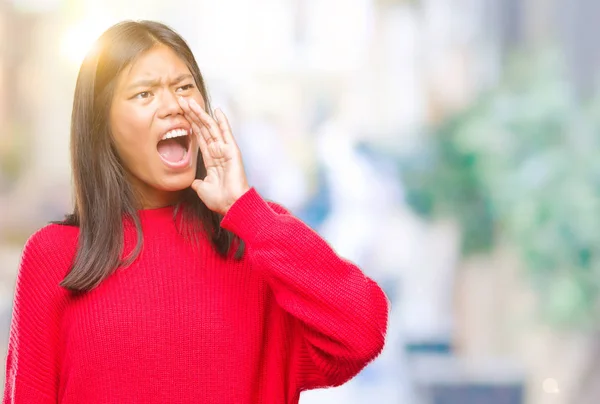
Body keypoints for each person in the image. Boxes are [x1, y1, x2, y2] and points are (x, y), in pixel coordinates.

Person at [2, 20, 389, 404]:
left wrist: (248, 212)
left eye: (185, 87)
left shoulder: (257, 239)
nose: (174, 106)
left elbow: (363, 331)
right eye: (144, 94)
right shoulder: (55, 255)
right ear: (102, 124)